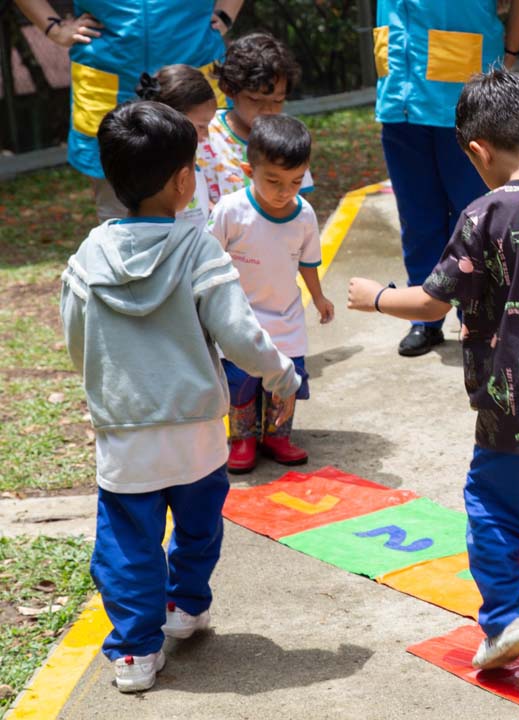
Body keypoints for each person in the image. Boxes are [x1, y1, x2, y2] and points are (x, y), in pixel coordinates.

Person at [347, 69, 519, 670]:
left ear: (478, 151)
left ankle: (505, 618)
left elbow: (432, 302)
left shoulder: (484, 214)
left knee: (494, 507)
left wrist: (376, 297)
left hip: (513, 397)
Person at [60, 101, 300, 693]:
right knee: (198, 529)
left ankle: (134, 653)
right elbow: (240, 335)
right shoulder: (197, 249)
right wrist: (281, 375)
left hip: (126, 436)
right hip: (195, 432)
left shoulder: (88, 257)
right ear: (184, 179)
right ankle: (186, 606)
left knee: (127, 545)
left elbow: (76, 340)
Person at [374, 0, 519, 357]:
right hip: (399, 94)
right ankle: (424, 317)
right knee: (417, 217)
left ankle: (478, 317)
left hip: (462, 95)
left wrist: (511, 51)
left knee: (475, 217)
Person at [13, 0, 243, 221]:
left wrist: (225, 13)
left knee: (214, 205)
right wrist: (54, 29)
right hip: (108, 80)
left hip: (192, 74)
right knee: (120, 211)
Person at [208, 114, 333, 473]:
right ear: (249, 171)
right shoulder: (231, 211)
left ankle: (278, 436)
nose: (285, 191)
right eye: (274, 181)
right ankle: (242, 439)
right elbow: (208, 261)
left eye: (296, 181)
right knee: (240, 382)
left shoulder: (304, 216)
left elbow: (308, 262)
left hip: (285, 317)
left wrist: (319, 297)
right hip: (238, 320)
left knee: (287, 379)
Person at [201, 32, 313, 206]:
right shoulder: (204, 133)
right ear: (229, 89)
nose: (268, 110)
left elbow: (300, 203)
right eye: (255, 99)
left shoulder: (286, 137)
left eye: (278, 100)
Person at [134, 66, 219, 226]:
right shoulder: (157, 172)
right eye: (201, 126)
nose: (206, 135)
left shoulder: (186, 154)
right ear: (172, 120)